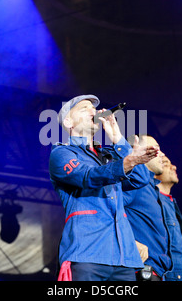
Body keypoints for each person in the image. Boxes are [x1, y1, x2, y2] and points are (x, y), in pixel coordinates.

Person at [49, 95, 159, 281]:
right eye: (84, 108)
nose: (93, 111)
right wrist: (128, 160)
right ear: (68, 121)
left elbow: (139, 179)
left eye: (93, 109)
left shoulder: (109, 155)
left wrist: (118, 138)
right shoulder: (62, 153)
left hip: (124, 258)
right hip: (87, 254)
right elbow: (87, 176)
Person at [124, 134, 182, 281]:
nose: (162, 156)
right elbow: (109, 211)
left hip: (168, 273)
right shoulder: (134, 186)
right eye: (156, 149)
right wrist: (129, 241)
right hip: (151, 272)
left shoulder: (156, 195)